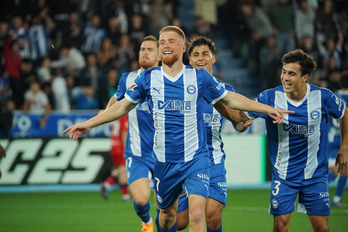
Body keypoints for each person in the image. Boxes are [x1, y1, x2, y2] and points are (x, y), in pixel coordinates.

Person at [63, 26, 292, 232]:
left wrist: (266, 109)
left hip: (196, 159)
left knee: (198, 215)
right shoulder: (148, 79)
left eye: (171, 41)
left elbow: (231, 99)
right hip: (164, 161)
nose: (165, 45)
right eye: (162, 42)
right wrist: (88, 124)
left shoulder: (199, 77)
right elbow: (122, 106)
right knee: (167, 217)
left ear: (182, 48)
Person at [244, 49, 348, 232]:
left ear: (305, 77)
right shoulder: (269, 97)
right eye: (284, 72)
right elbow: (242, 113)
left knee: (322, 228)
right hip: (284, 176)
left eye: (292, 74)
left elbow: (345, 113)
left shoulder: (323, 96)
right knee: (280, 228)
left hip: (314, 175)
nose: (285, 77)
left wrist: (345, 147)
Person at [176, 36, 252, 232]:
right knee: (180, 222)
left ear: (213, 58)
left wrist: (242, 125)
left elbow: (237, 123)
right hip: (185, 160)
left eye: (205, 54)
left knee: (212, 216)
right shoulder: (180, 88)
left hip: (214, 160)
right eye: (195, 55)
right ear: (189, 59)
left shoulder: (226, 91)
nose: (201, 58)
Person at [101, 35, 160, 232]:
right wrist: (103, 115)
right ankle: (146, 221)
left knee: (167, 212)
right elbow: (117, 100)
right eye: (142, 48)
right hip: (137, 153)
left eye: (150, 49)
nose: (144, 52)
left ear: (160, 55)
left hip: (166, 154)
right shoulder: (128, 78)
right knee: (141, 198)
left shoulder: (168, 79)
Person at [327, 71, 348, 207]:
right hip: (344, 139)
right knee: (344, 169)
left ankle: (312, 195)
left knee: (334, 171)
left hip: (331, 138)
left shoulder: (332, 96)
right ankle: (335, 199)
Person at [100, 115, 132, 201]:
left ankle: (106, 185)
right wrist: (126, 149)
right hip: (120, 147)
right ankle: (125, 195)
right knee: (123, 169)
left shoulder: (117, 115)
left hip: (114, 144)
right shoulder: (125, 116)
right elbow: (124, 132)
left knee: (121, 169)